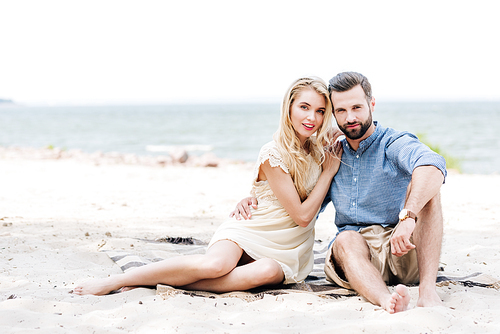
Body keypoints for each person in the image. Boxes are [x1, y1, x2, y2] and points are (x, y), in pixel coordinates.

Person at [73, 77, 343, 296]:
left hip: (288, 246)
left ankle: (160, 282)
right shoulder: (273, 152)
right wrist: (329, 173)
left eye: (320, 111)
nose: (312, 118)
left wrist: (250, 196)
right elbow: (303, 216)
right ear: (289, 108)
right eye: (304, 107)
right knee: (216, 265)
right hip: (252, 229)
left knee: (267, 273)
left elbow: (359, 130)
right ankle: (120, 280)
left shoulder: (320, 151)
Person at [231, 72, 447, 314]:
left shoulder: (392, 143)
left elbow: (432, 164)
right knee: (346, 238)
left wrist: (408, 217)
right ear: (333, 114)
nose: (350, 117)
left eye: (357, 107)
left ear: (371, 104)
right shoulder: (330, 154)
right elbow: (301, 203)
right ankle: (387, 301)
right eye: (341, 110)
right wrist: (257, 197)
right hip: (354, 258)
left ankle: (427, 292)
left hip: (402, 249)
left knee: (428, 191)